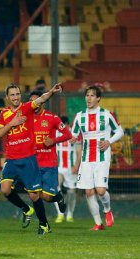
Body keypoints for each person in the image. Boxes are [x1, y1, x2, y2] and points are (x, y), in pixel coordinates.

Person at [0, 82, 63, 234]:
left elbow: (41, 99)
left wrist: (51, 92)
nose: (16, 97)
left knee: (34, 195)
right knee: (5, 190)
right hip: (11, 159)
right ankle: (26, 209)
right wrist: (12, 123)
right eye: (12, 95)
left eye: (17, 94)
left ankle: (44, 224)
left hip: (28, 158)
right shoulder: (4, 114)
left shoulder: (27, 107)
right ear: (7, 97)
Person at [71, 85, 124, 230]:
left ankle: (107, 210)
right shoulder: (80, 116)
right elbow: (74, 135)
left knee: (100, 190)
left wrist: (109, 141)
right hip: (87, 157)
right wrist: (72, 139)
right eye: (87, 95)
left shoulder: (107, 114)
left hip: (102, 156)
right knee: (88, 191)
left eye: (92, 95)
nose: (88, 98)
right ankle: (98, 223)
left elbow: (120, 131)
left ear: (98, 98)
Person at [28, 90, 72, 218]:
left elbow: (68, 134)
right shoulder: (25, 119)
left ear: (43, 102)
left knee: (47, 197)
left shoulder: (52, 118)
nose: (34, 104)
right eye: (31, 101)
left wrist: (53, 140)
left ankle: (58, 197)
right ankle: (43, 223)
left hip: (48, 163)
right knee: (34, 195)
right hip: (33, 163)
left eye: (37, 101)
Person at [55, 116, 82, 223]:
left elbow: (79, 151)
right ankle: (60, 213)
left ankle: (70, 213)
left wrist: (76, 165)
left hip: (71, 168)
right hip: (59, 167)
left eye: (64, 125)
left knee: (71, 192)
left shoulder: (74, 134)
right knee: (56, 188)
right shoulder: (55, 133)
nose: (62, 127)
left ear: (68, 125)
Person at [0, 0, 20, 68]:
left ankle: (8, 60)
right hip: (1, 19)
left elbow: (16, 8)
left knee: (8, 40)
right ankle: (3, 59)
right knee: (2, 40)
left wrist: (17, 23)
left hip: (8, 20)